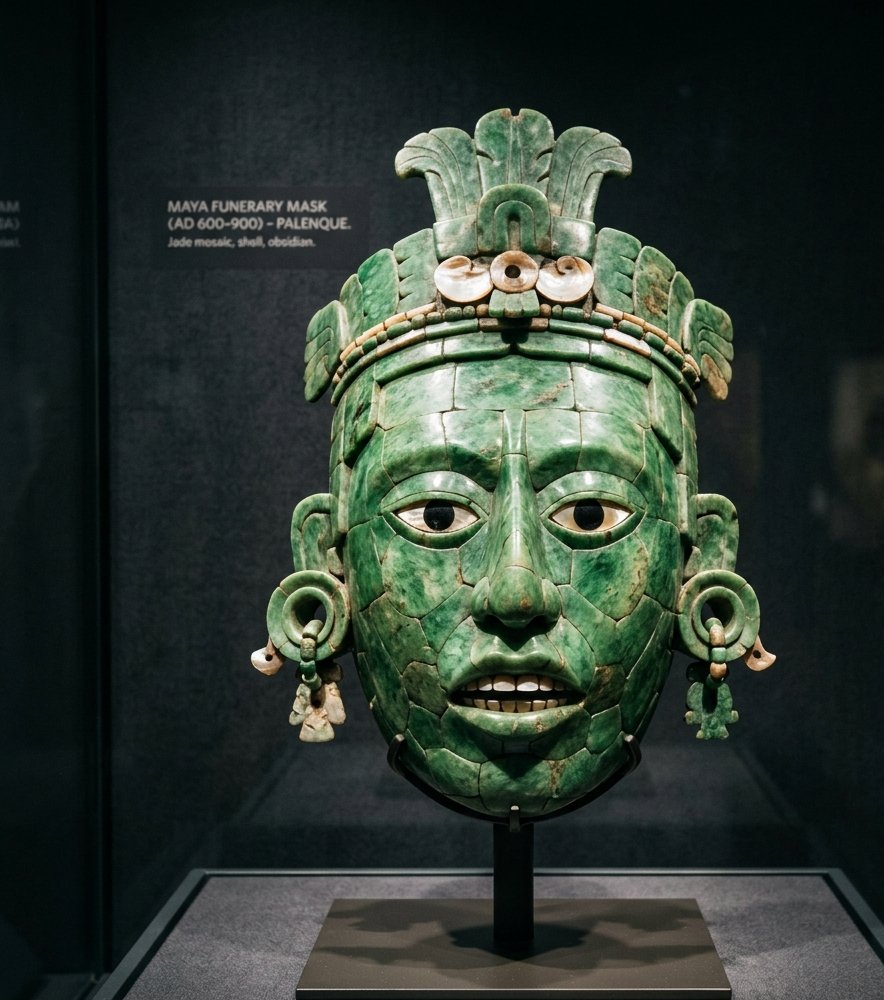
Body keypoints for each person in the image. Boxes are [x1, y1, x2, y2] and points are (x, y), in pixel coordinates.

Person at [253, 108, 774, 823]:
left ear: (701, 556)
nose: (516, 593)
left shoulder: (538, 593)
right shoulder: (497, 594)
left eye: (590, 513)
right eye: (436, 513)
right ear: (327, 557)